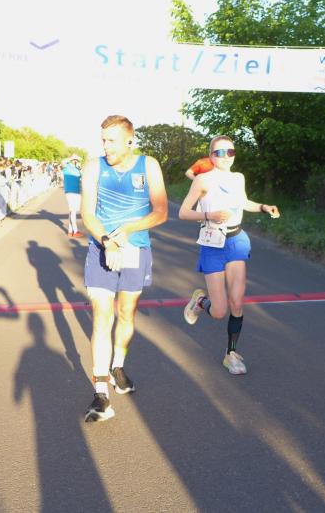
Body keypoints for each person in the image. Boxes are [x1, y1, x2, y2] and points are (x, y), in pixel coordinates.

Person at [80, 115, 167, 422]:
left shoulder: (149, 165)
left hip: (135, 248)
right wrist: (107, 241)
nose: (106, 147)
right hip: (102, 247)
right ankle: (101, 393)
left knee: (126, 313)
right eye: (103, 140)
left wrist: (128, 230)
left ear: (130, 141)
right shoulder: (94, 166)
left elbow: (161, 212)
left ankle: (118, 366)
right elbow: (87, 214)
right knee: (102, 315)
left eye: (112, 141)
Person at [179, 135, 280, 375]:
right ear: (211, 156)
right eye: (220, 153)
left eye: (230, 152)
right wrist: (209, 215)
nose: (226, 157)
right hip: (213, 244)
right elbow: (183, 212)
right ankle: (200, 301)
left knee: (237, 302)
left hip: (236, 241)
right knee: (219, 311)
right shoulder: (202, 180)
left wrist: (263, 207)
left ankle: (231, 354)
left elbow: (243, 202)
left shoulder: (238, 178)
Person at [62, 156, 83, 237]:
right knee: (73, 211)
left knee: (72, 211)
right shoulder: (67, 166)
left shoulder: (77, 169)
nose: (75, 161)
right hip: (70, 191)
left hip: (77, 191)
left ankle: (70, 231)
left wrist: (80, 169)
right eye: (74, 160)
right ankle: (75, 231)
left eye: (76, 160)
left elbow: (82, 177)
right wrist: (72, 157)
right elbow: (63, 161)